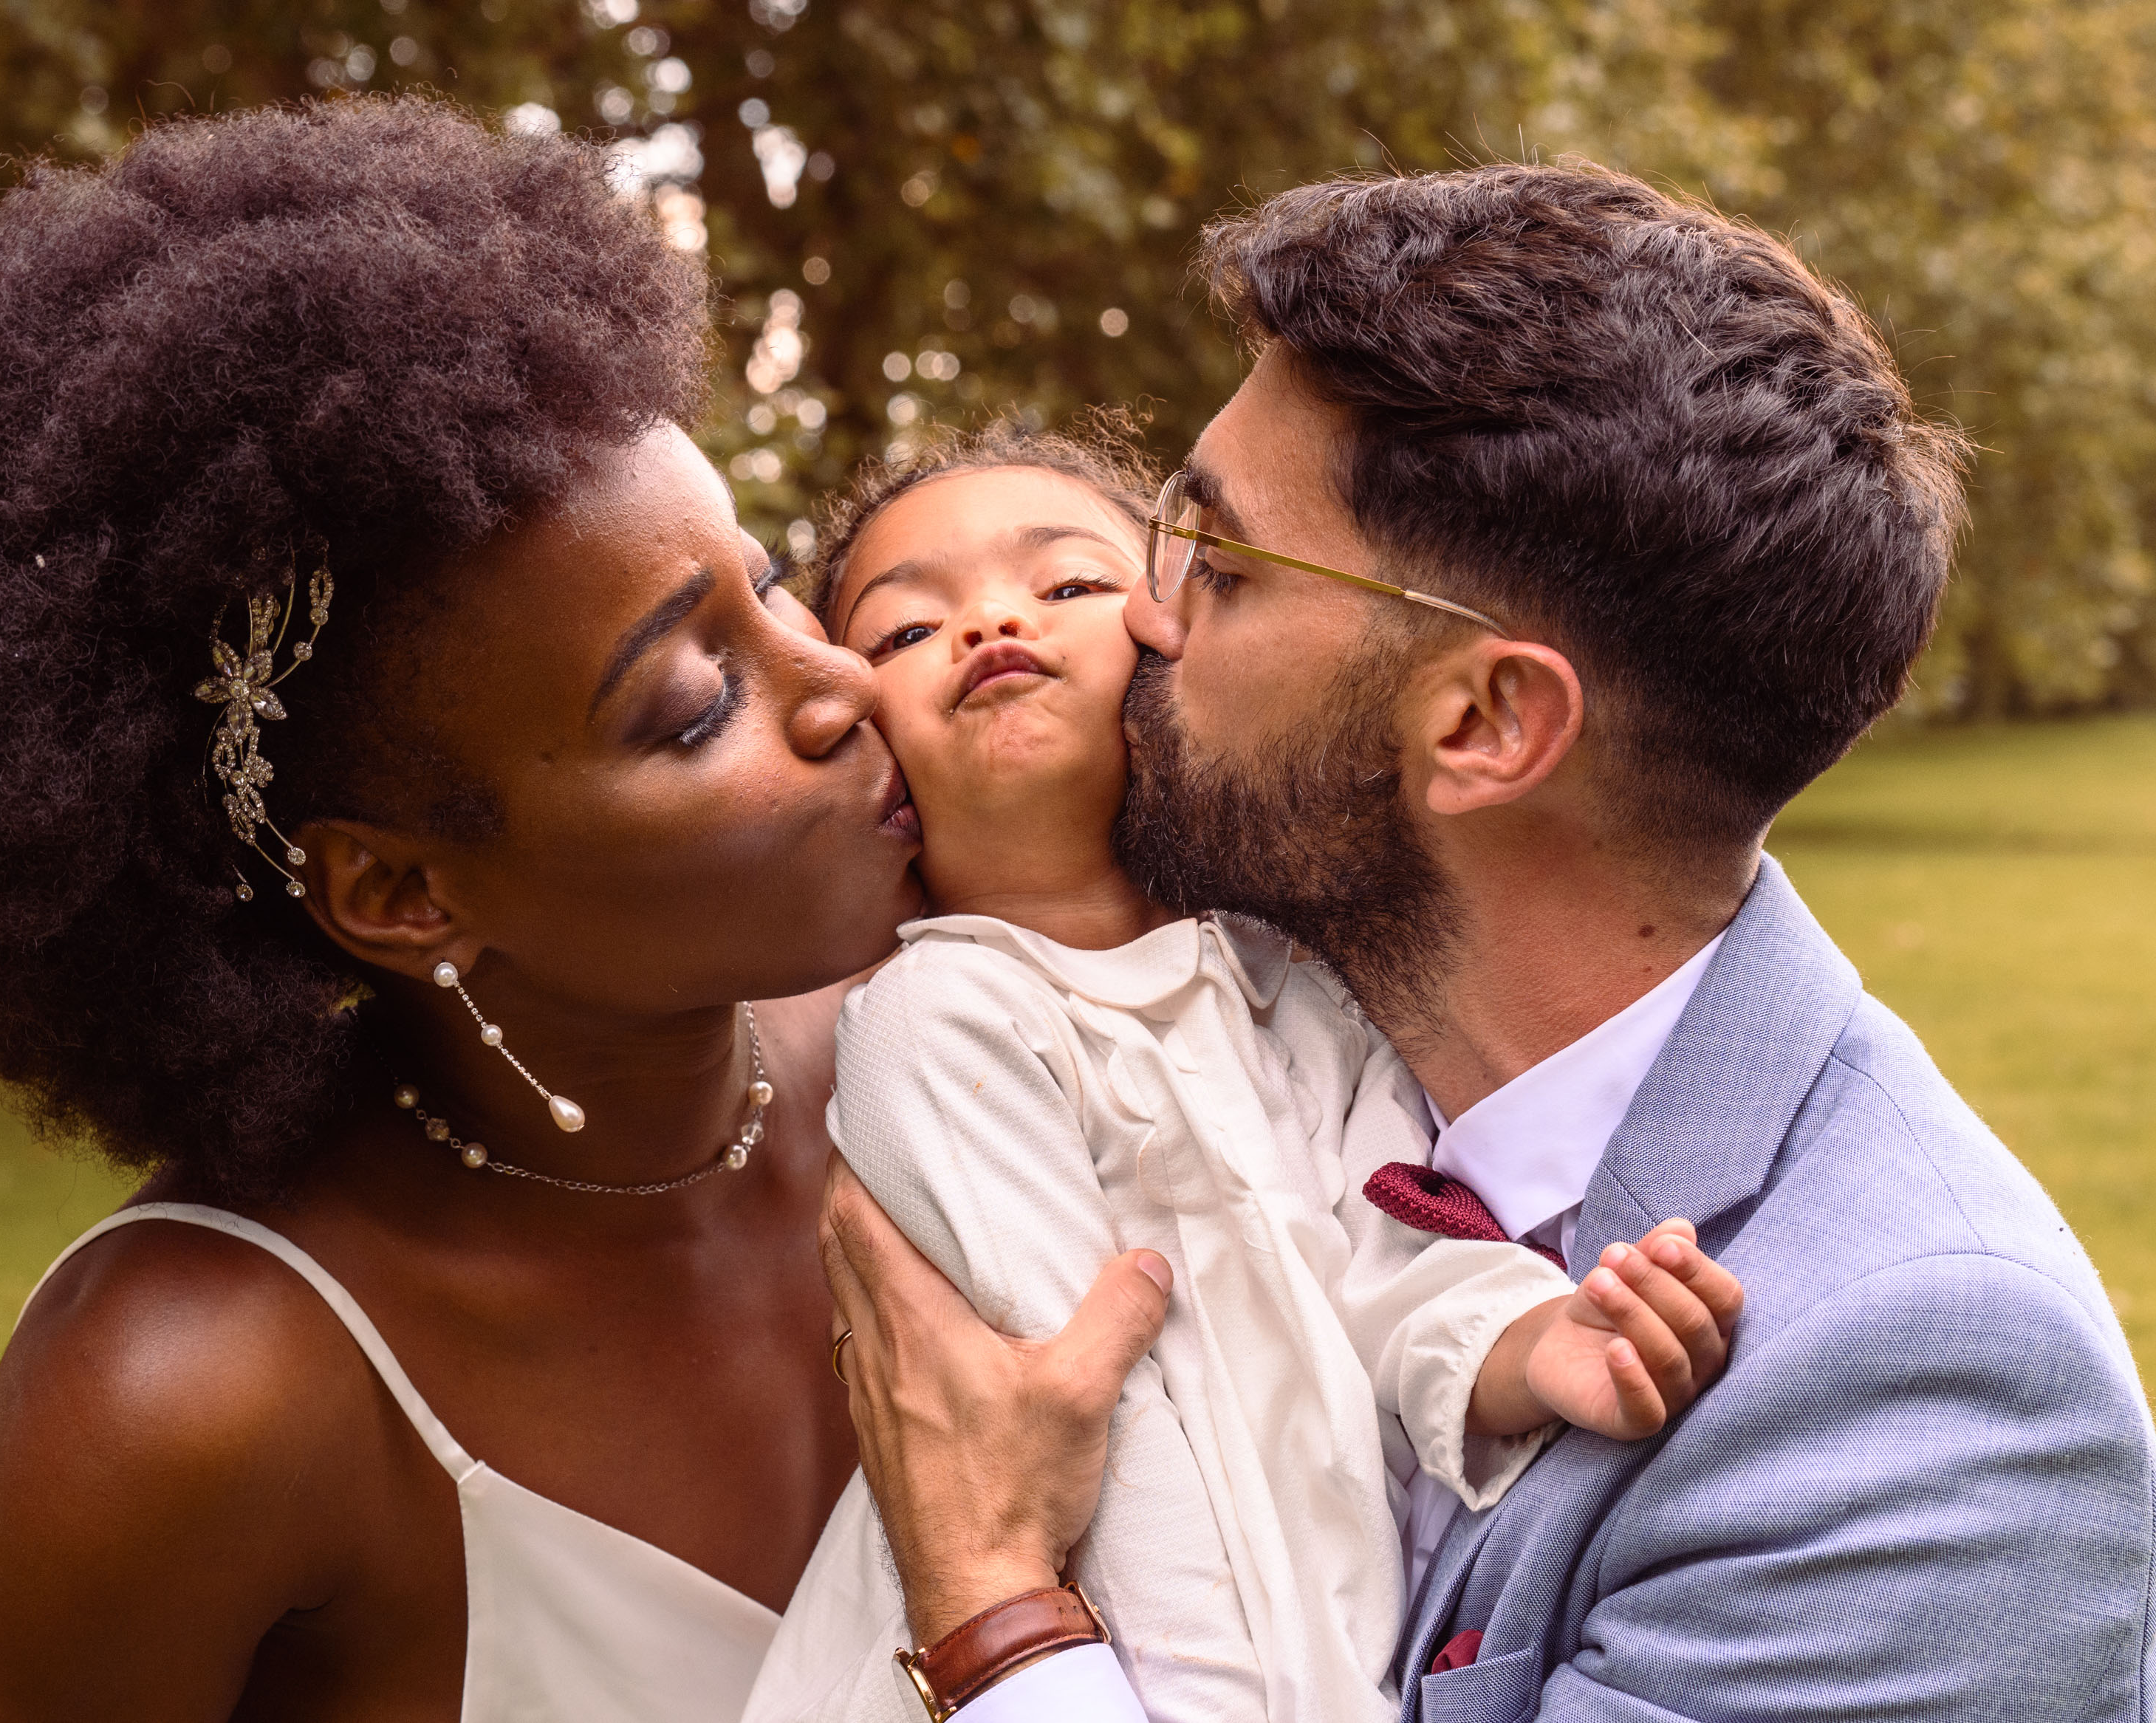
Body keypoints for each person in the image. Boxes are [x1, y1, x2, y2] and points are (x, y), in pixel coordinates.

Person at [818, 163, 2156, 1720]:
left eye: (1229, 566)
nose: (1144, 619)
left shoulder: (1919, 1412)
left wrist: (994, 1611)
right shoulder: (1193, 1050)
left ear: (1479, 723)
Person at [0, 97, 940, 1721]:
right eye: (686, 702)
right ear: (395, 890)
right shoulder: (203, 1394)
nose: (845, 683)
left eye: (774, 582)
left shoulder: (943, 1056)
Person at [742, 423, 1742, 1723]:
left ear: (1171, 650)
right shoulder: (937, 1023)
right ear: (875, 748)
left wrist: (1534, 1343)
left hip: (1313, 1633)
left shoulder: (1286, 975)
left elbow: (1388, 1257)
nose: (989, 622)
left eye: (1066, 586)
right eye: (904, 631)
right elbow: (1094, 1462)